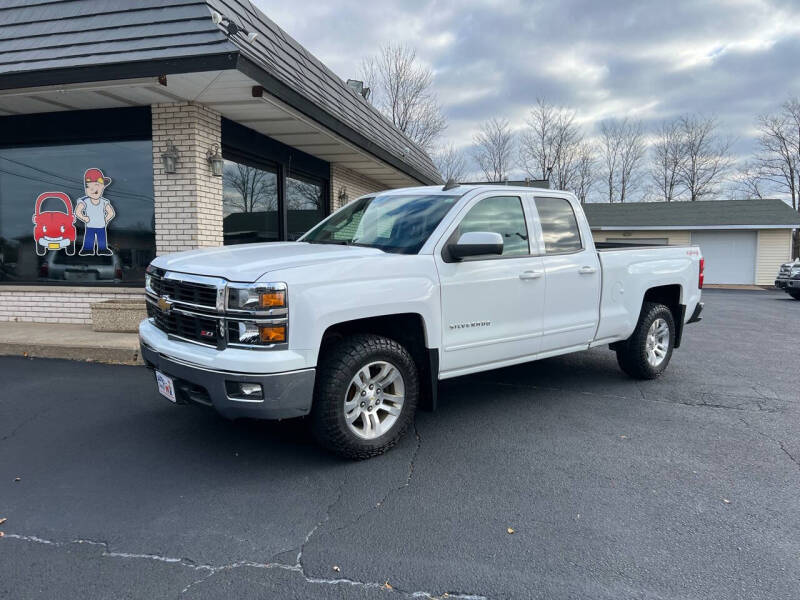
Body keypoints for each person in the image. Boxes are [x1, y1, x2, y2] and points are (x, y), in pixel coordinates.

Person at [75, 168, 115, 256]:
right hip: (90, 225)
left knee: (102, 238)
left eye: (97, 187)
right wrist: (84, 218)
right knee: (89, 238)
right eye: (90, 187)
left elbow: (111, 212)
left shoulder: (104, 202)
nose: (94, 190)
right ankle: (87, 249)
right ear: (86, 189)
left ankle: (102, 249)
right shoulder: (85, 201)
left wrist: (105, 220)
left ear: (102, 188)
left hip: (101, 225)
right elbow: (78, 211)